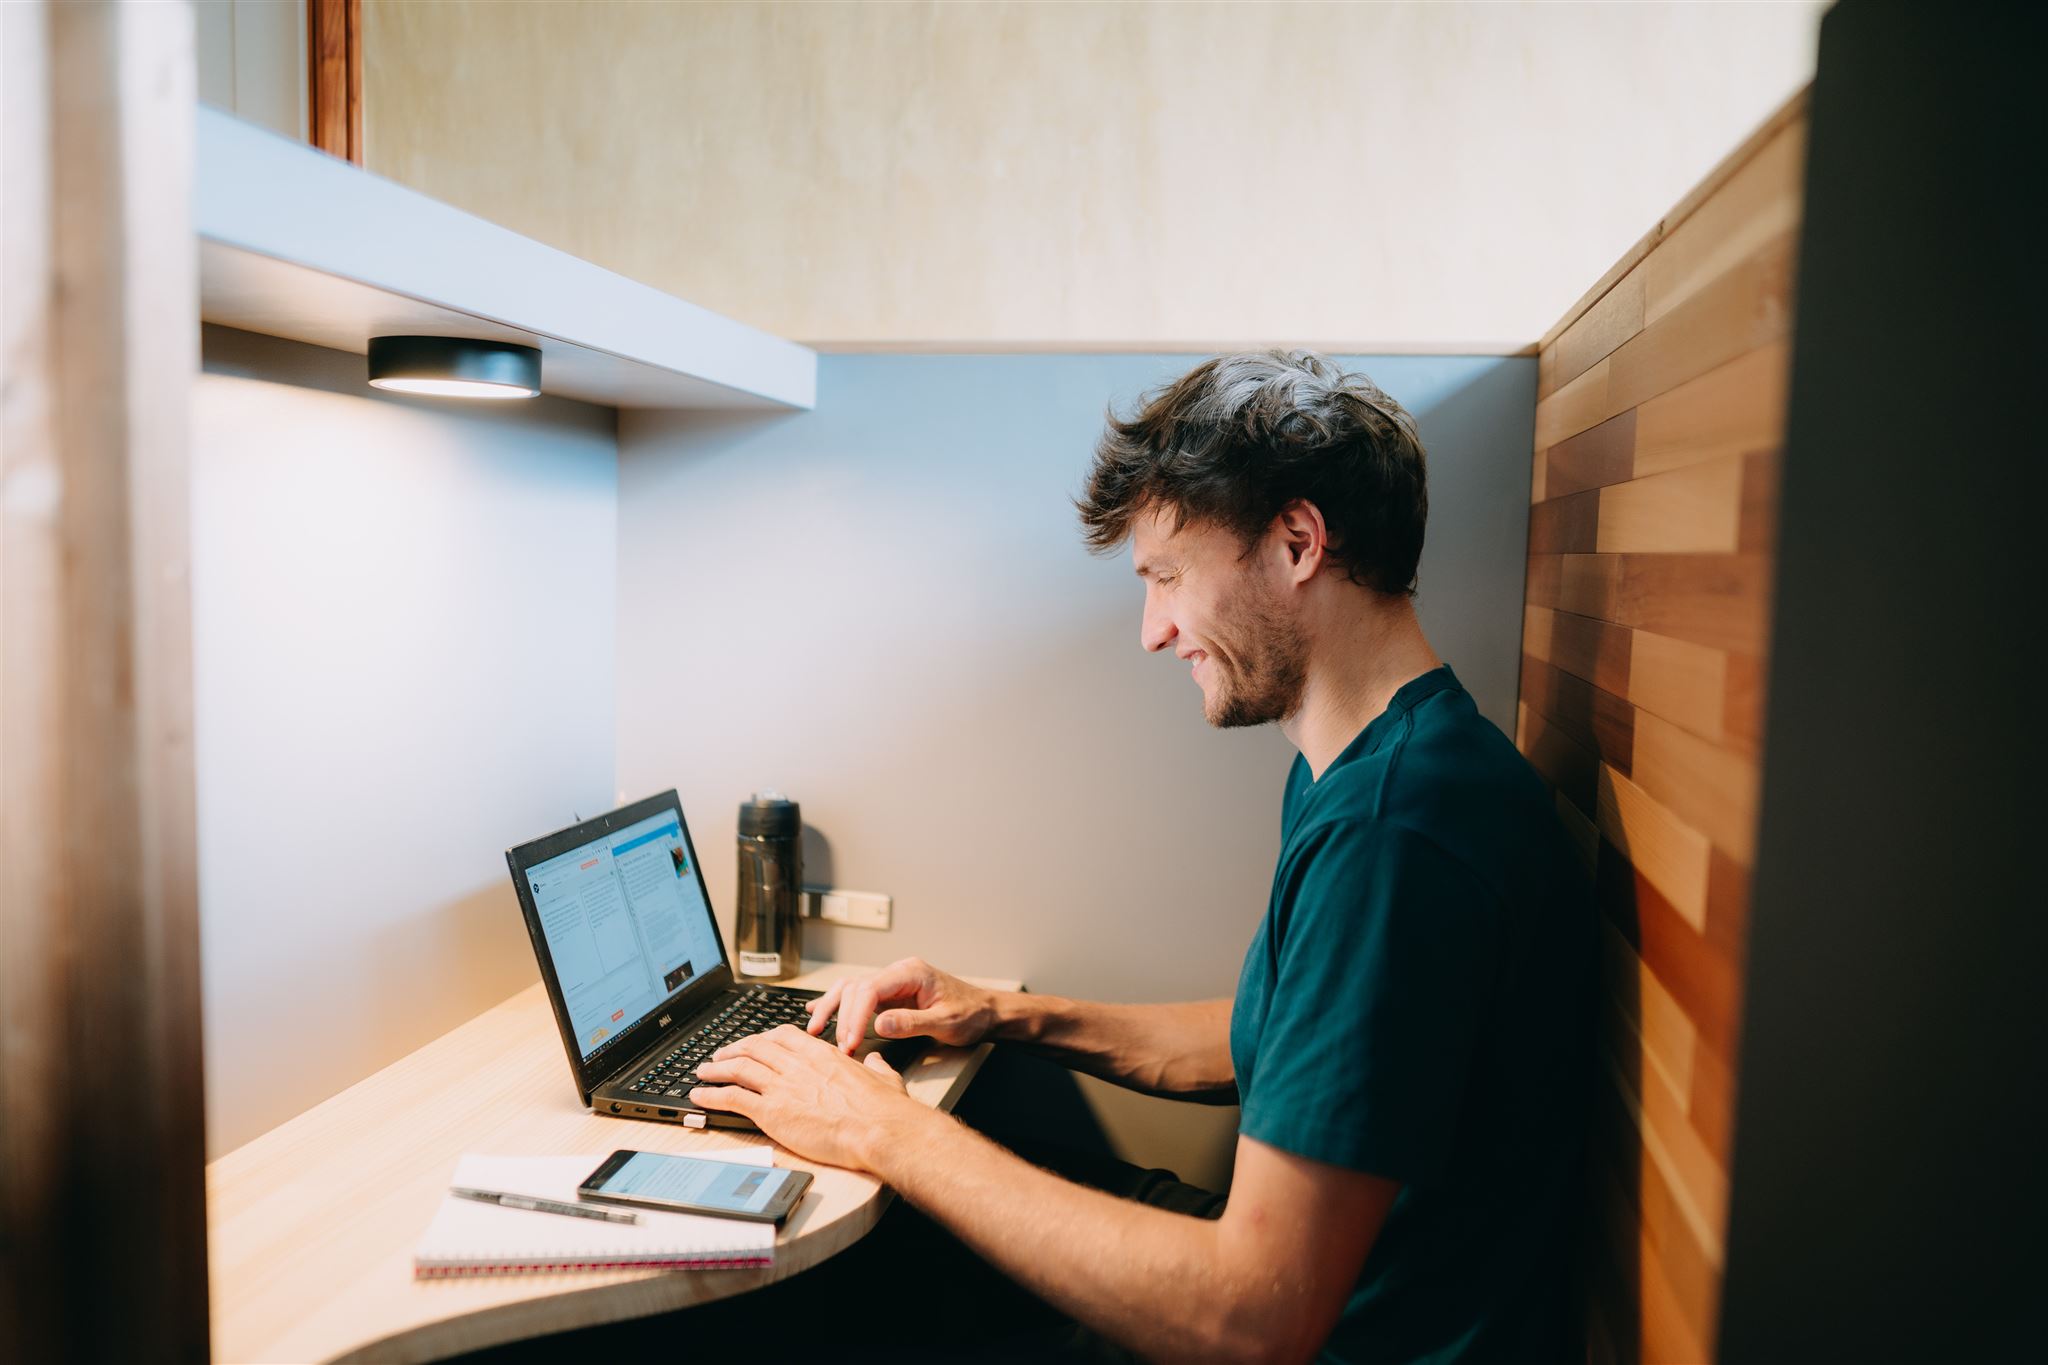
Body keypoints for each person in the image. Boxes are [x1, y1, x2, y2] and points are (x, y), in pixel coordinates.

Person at [689, 351, 1594, 1364]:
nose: (1152, 631)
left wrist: (880, 1131)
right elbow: (1287, 1045)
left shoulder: (1396, 833)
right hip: (1313, 1296)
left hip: (1332, 1333)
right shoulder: (1387, 763)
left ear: (1297, 542)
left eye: (1165, 577)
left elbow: (1251, 1317)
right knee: (908, 1254)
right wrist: (1007, 1014)